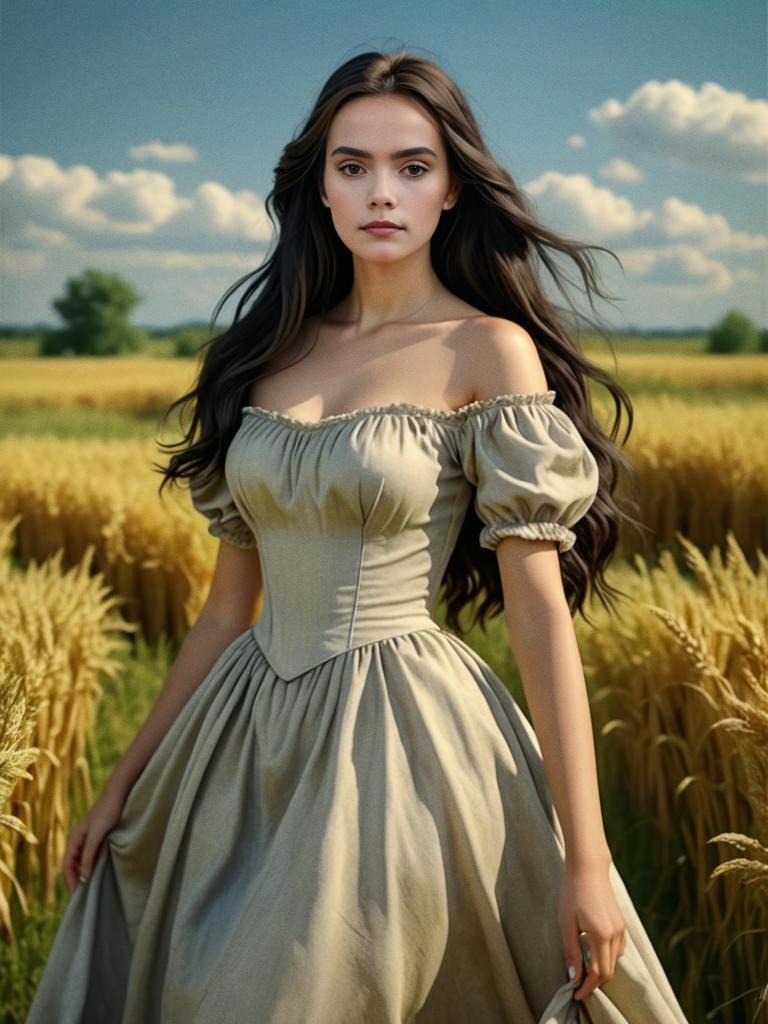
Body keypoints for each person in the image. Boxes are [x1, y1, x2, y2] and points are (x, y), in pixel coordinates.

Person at [26, 49, 690, 1023]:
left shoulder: (486, 349)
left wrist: (586, 857)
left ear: (454, 187)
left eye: (412, 166)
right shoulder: (265, 355)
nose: (382, 191)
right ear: (320, 188)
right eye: (353, 166)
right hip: (242, 737)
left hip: (398, 742)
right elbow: (224, 610)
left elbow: (540, 612)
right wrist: (124, 780)